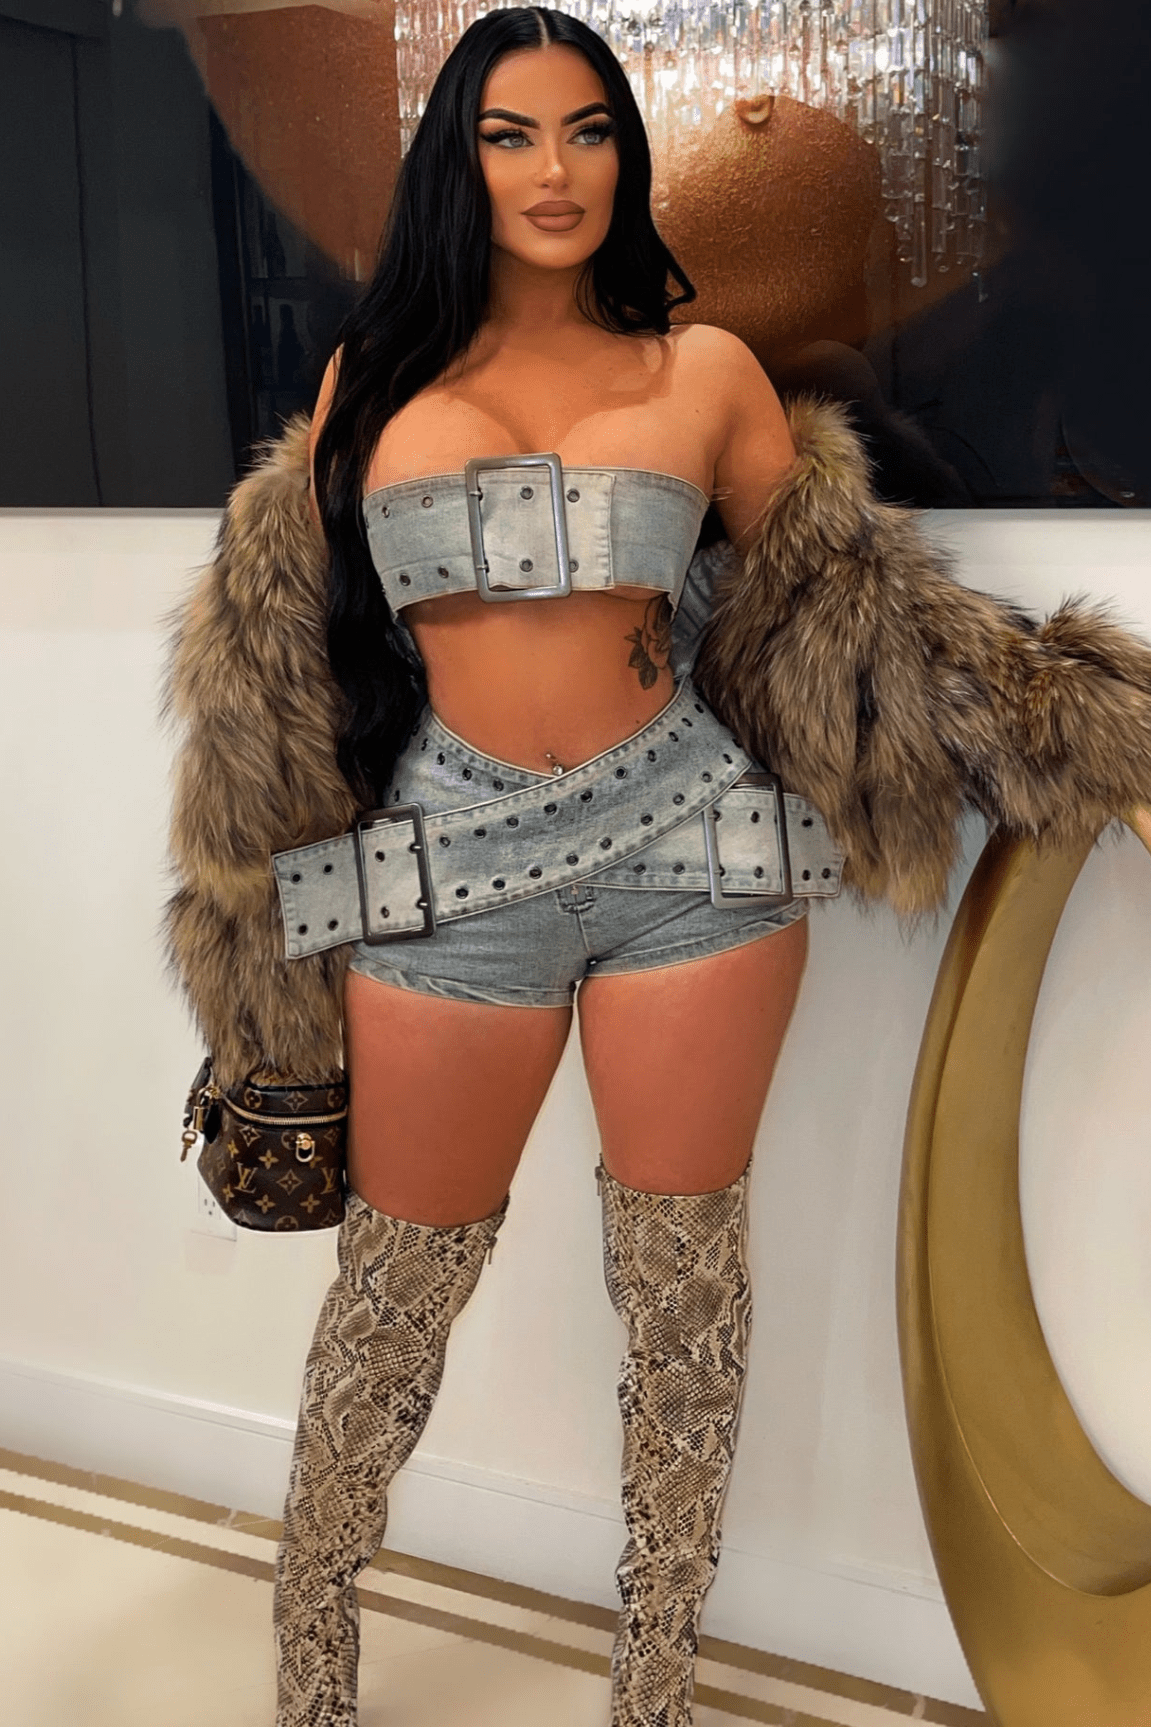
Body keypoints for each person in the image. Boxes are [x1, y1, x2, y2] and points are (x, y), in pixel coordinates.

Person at [162, 10, 1151, 1726]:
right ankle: (310, 1668)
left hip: (692, 861)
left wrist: (1086, 726)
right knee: (392, 1296)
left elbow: (853, 618)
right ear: (455, 162)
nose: (555, 171)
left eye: (587, 131)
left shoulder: (704, 374)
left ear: (626, 157)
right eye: (509, 135)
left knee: (684, 1307)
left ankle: (654, 1689)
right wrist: (255, 942)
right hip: (446, 876)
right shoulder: (366, 381)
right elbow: (282, 678)